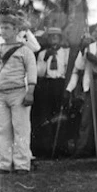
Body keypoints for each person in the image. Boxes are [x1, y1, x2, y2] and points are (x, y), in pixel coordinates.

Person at [0, 11, 38, 174]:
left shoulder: (24, 50)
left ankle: (22, 164)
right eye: (2, 28)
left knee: (21, 128)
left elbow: (32, 71)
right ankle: (5, 164)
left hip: (18, 92)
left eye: (7, 28)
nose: (3, 31)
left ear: (15, 30)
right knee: (2, 129)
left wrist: (30, 92)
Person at [65, 22, 97, 157]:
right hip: (92, 83)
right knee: (87, 118)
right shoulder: (89, 47)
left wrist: (96, 61)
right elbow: (79, 66)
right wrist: (83, 51)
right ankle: (82, 149)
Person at [33, 27, 71, 157]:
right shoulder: (43, 53)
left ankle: (61, 149)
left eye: (56, 36)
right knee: (47, 116)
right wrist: (44, 60)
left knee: (61, 116)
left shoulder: (66, 52)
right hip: (47, 85)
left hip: (61, 84)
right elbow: (39, 73)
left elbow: (68, 70)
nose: (54, 38)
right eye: (51, 36)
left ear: (60, 38)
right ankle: (46, 149)